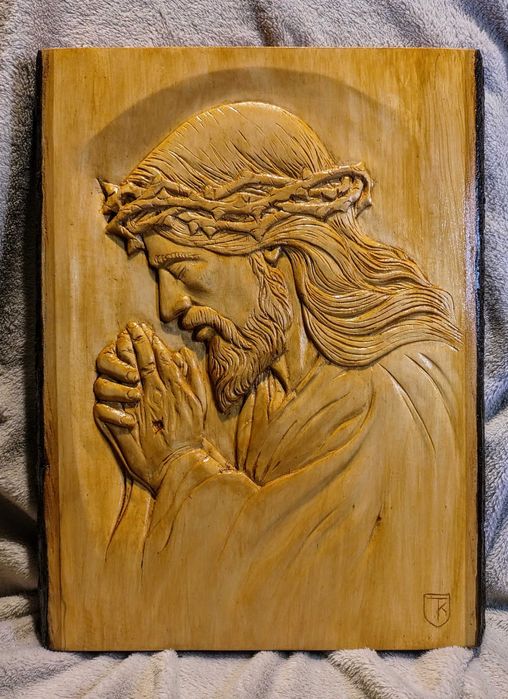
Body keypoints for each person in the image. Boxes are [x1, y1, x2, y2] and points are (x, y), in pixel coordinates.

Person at [93, 102, 464, 647]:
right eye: (158, 275)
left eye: (182, 269)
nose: (168, 306)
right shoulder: (269, 396)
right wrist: (153, 443)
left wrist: (180, 466)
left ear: (273, 249)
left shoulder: (393, 399)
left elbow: (278, 593)